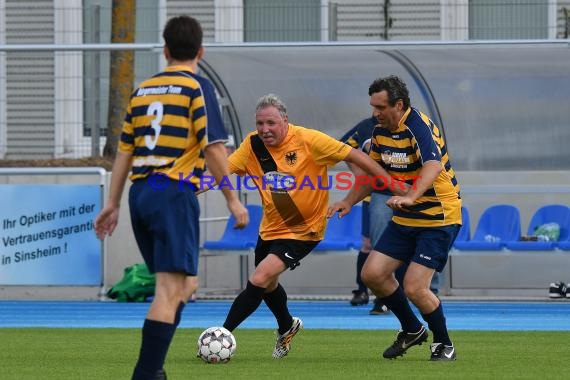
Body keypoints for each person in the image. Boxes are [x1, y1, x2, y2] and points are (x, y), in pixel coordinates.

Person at [94, 15, 249, 380]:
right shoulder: (198, 87)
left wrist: (113, 203)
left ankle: (155, 369)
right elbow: (213, 148)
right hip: (172, 192)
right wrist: (233, 201)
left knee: (185, 285)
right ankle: (147, 373)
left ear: (164, 50)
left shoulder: (142, 90)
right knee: (170, 288)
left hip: (141, 194)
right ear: (200, 51)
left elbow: (124, 153)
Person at [220, 93, 405, 359]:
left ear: (285, 120)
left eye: (271, 123)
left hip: (304, 229)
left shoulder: (309, 140)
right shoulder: (252, 145)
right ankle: (287, 325)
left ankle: (222, 334)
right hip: (271, 227)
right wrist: (187, 189)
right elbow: (221, 172)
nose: (264, 129)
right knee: (268, 284)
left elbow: (354, 155)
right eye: (260, 123)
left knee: (259, 277)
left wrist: (389, 183)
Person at [328, 75, 462, 361]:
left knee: (415, 286)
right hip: (406, 217)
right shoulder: (379, 133)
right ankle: (412, 329)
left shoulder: (418, 126)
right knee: (372, 274)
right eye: (372, 107)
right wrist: (348, 201)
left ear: (398, 105)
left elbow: (433, 166)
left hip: (438, 217)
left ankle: (444, 344)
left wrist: (412, 196)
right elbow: (373, 176)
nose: (374, 113)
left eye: (380, 107)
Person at [339, 117, 391, 314]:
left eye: (381, 106)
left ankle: (396, 295)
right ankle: (364, 291)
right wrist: (360, 173)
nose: (378, 111)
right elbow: (342, 147)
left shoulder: (409, 126)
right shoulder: (365, 126)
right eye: (375, 106)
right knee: (370, 244)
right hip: (374, 196)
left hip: (404, 195)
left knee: (396, 247)